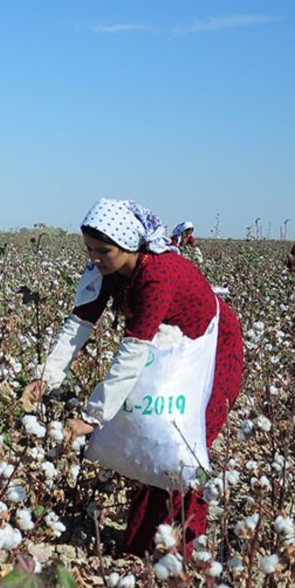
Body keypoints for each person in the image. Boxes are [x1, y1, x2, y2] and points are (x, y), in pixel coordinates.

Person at [23, 198, 244, 555]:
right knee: (151, 437)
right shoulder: (106, 271)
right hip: (166, 347)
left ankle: (182, 554)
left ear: (129, 245)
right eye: (89, 249)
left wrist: (92, 418)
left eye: (103, 250)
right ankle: (143, 545)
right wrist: (47, 377)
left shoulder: (158, 273)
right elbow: (79, 323)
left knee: (181, 447)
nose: (94, 258)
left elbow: (132, 352)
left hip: (211, 350)